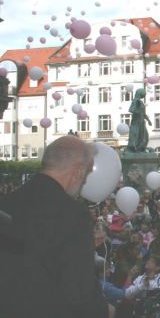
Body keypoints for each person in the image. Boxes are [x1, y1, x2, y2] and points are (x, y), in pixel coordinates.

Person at [0, 135, 110, 318]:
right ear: (78, 170)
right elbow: (79, 290)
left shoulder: (7, 203)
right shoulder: (73, 214)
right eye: (87, 174)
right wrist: (104, 311)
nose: (84, 182)